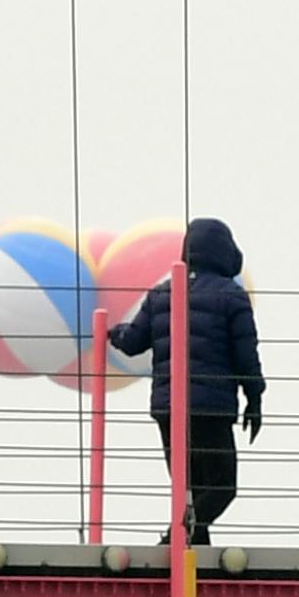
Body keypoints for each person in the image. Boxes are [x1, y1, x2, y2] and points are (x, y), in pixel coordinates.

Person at [110, 216, 264, 546]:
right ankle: (177, 539)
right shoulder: (232, 296)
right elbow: (246, 354)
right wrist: (255, 398)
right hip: (211, 409)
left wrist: (112, 333)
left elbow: (133, 342)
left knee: (189, 489)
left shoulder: (160, 295)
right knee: (222, 486)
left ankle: (191, 548)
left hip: (169, 409)